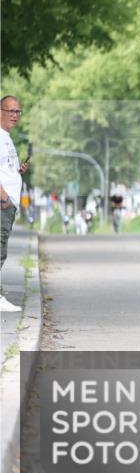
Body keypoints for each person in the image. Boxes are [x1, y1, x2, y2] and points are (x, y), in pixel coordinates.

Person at [1, 95, 29, 313]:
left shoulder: (7, 138)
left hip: (8, 205)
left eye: (18, 111)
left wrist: (17, 172)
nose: (15, 115)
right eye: (10, 111)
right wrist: (3, 198)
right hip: (3, 204)